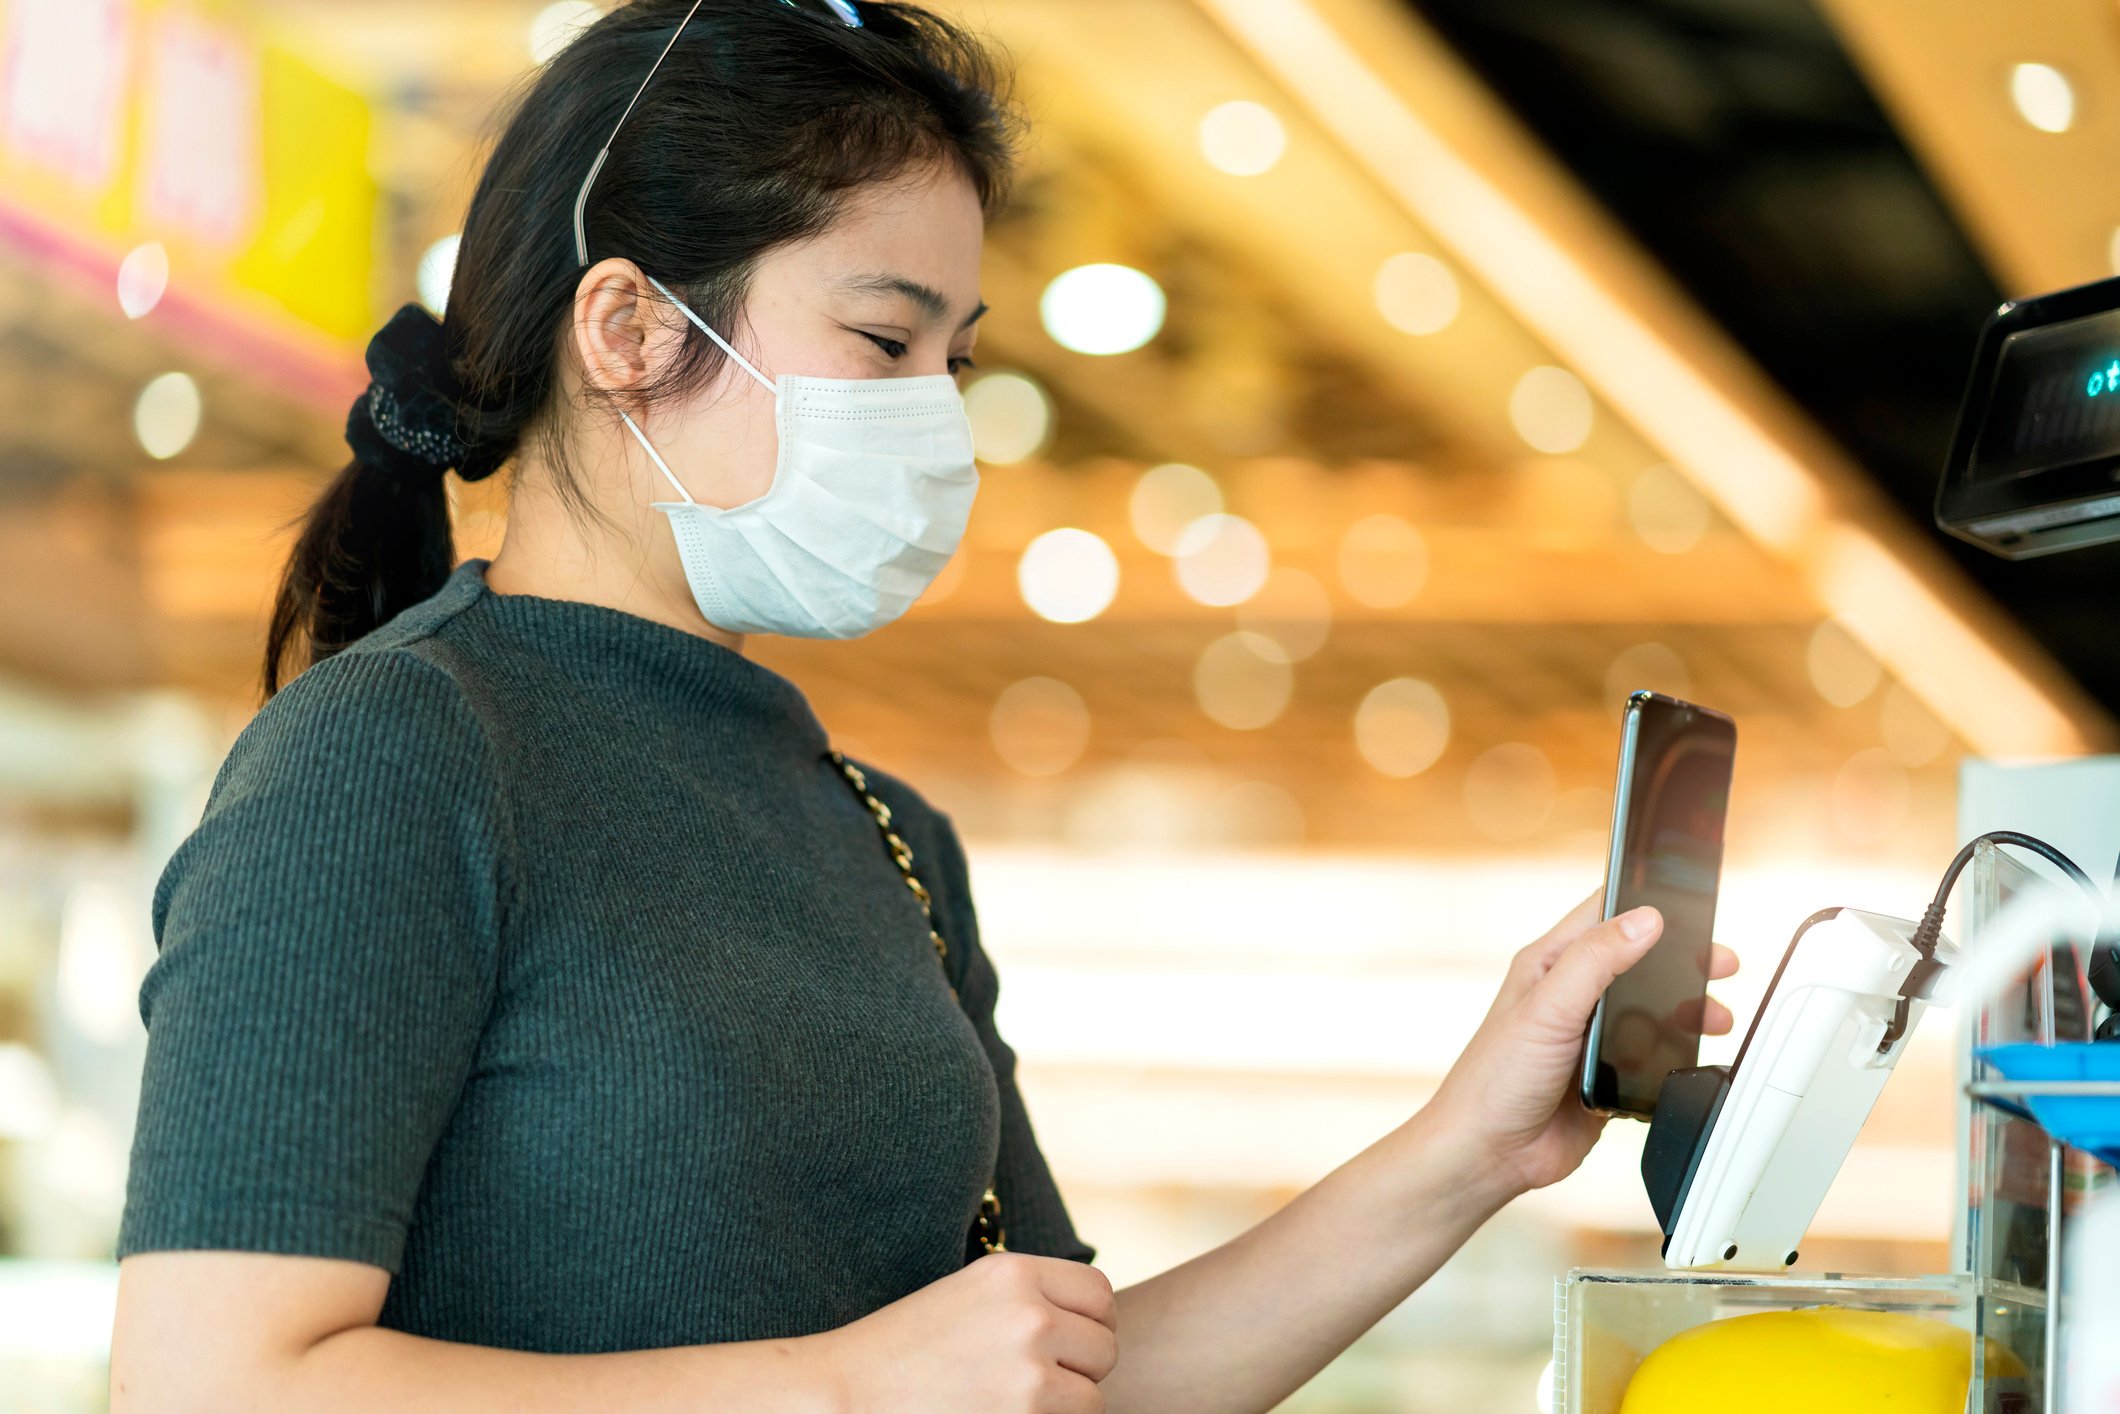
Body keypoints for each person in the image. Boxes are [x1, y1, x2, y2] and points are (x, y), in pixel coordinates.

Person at [108, 2, 1736, 1411]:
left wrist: (1471, 1145)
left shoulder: (882, 830)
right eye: (880, 337)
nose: (930, 424)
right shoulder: (395, 758)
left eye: (949, 363)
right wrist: (834, 1385)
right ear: (626, 328)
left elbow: (1060, 1375)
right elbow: (214, 1379)